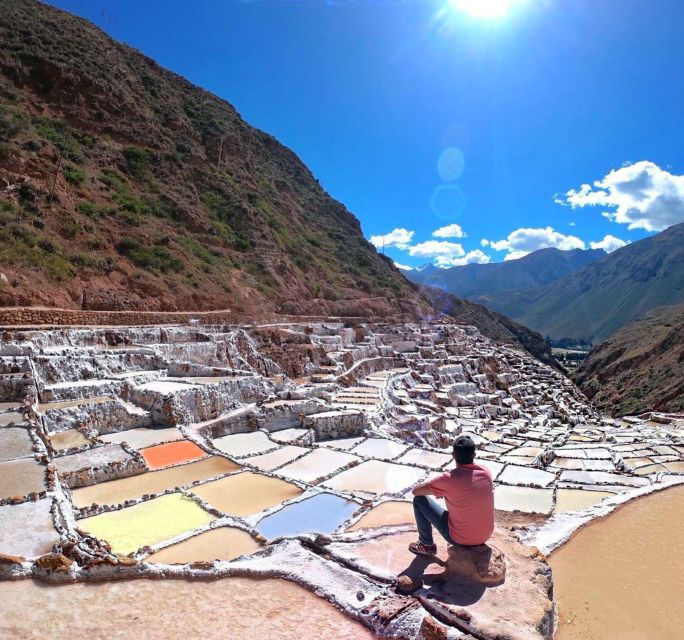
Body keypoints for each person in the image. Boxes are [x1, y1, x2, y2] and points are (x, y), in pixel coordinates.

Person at [409, 435, 494, 556]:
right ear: (474, 455)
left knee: (419, 500)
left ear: (453, 455)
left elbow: (416, 491)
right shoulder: (486, 473)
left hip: (459, 539)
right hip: (485, 536)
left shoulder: (448, 479)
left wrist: (438, 489)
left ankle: (426, 545)